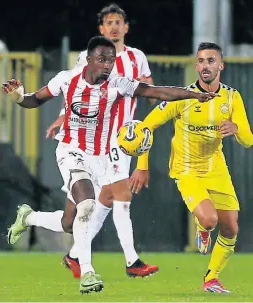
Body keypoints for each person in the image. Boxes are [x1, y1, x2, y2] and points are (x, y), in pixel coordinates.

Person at [3, 36, 216, 294]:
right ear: (89, 59)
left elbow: (156, 91)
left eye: (111, 60)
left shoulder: (118, 84)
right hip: (70, 150)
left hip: (98, 160)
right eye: (102, 59)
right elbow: (34, 99)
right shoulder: (66, 79)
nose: (107, 65)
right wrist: (17, 96)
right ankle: (88, 272)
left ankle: (29, 216)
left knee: (70, 223)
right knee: (88, 204)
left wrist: (194, 95)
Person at [44, 3, 159, 279]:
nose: (114, 27)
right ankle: (132, 261)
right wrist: (62, 116)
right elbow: (75, 91)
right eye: (109, 22)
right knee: (121, 196)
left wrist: (158, 101)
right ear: (101, 29)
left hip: (127, 137)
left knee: (102, 201)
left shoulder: (137, 57)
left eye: (118, 22)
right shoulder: (89, 56)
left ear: (126, 27)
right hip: (102, 137)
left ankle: (74, 256)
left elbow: (149, 88)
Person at [129, 42, 253, 293]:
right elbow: (146, 127)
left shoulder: (232, 97)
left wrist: (237, 130)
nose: (205, 65)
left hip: (217, 169)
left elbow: (249, 140)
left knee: (231, 227)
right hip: (186, 169)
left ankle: (211, 278)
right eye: (200, 61)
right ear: (196, 66)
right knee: (209, 219)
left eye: (210, 60)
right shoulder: (181, 96)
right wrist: (142, 166)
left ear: (221, 65)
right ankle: (203, 226)